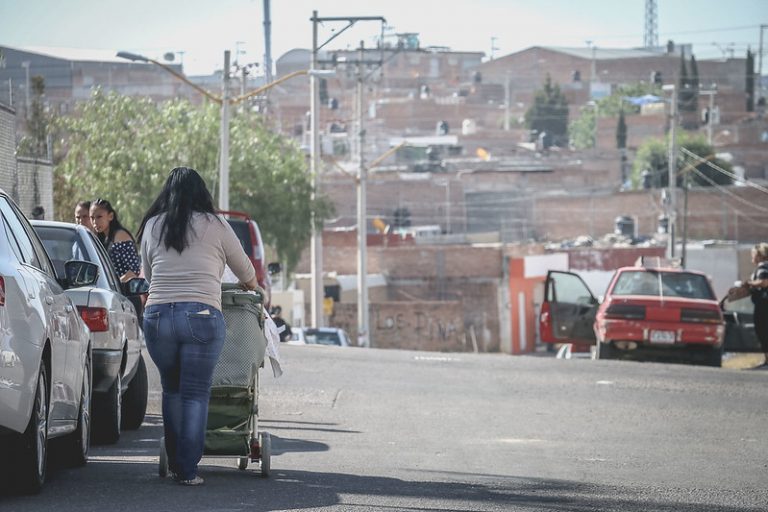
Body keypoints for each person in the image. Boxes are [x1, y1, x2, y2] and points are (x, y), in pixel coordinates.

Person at [137, 167, 258, 486]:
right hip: (202, 318)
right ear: (201, 193)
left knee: (172, 390)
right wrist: (250, 283)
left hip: (158, 317)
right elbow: (244, 269)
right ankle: (187, 470)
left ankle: (177, 463)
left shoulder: (152, 225)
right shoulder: (216, 224)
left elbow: (148, 275)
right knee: (194, 394)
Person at [729, 243, 768, 366]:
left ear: (759, 256)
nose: (751, 257)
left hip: (764, 305)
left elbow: (764, 282)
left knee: (763, 331)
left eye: (753, 254)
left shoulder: (763, 266)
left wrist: (750, 283)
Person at [90, 198, 140, 282]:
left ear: (110, 216)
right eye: (92, 218)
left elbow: (134, 270)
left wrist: (115, 285)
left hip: (124, 292)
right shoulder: (100, 238)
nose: (95, 222)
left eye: (99, 217)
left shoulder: (120, 236)